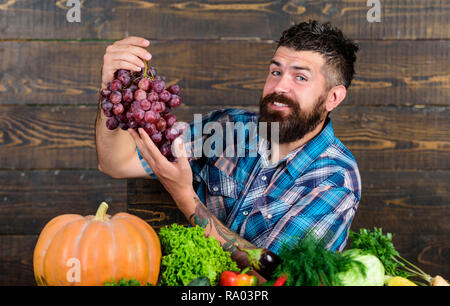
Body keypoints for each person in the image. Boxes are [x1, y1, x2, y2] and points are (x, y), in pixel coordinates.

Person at [96, 20, 361, 272]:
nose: (279, 87)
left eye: (300, 78)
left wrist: (185, 198)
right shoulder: (228, 129)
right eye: (276, 72)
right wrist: (111, 87)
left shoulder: (335, 179)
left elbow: (278, 277)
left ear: (333, 97)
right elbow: (116, 163)